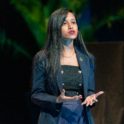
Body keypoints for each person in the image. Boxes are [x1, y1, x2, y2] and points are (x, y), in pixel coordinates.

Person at [31, 8, 104, 124]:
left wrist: (90, 97)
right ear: (55, 28)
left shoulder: (87, 59)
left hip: (81, 117)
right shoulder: (43, 58)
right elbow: (36, 94)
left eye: (73, 22)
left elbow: (89, 90)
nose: (71, 26)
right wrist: (57, 100)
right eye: (64, 23)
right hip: (56, 117)